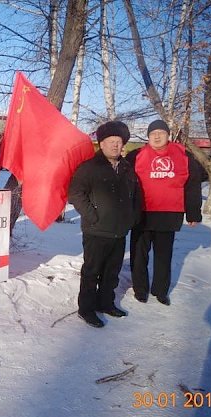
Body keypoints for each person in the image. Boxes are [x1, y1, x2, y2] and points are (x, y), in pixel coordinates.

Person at [69, 121, 142, 328]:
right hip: (96, 231)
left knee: (112, 271)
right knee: (92, 272)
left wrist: (132, 217)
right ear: (101, 144)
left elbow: (135, 195)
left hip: (119, 231)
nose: (115, 146)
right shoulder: (89, 168)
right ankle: (87, 309)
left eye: (118, 142)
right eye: (111, 142)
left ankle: (106, 303)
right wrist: (92, 216)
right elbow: (76, 193)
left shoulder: (127, 168)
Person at [126, 119, 203, 305]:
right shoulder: (136, 155)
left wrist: (193, 213)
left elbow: (192, 186)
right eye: (153, 133)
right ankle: (140, 289)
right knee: (138, 255)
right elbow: (123, 182)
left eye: (161, 132)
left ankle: (160, 291)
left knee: (163, 256)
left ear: (168, 135)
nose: (157, 136)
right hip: (142, 213)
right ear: (148, 137)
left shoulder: (183, 156)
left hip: (168, 213)